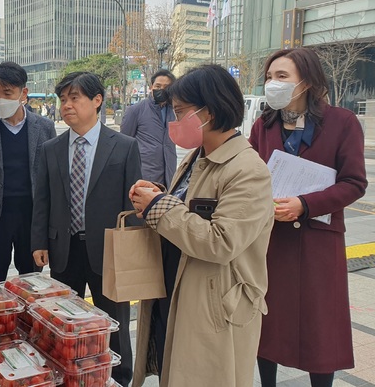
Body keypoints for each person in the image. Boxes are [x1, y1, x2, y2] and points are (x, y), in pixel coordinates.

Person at [130, 64, 274, 387]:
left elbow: (221, 242)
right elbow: (187, 212)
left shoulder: (247, 169)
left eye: (180, 112)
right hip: (179, 289)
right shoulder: (197, 156)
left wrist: (160, 207)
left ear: (208, 112)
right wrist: (159, 198)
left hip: (213, 307)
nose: (174, 121)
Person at [250, 48, 367, 387]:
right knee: (269, 320)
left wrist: (304, 204)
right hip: (273, 240)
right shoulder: (264, 124)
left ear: (307, 81)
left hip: (319, 241)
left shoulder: (342, 122)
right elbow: (251, 175)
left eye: (282, 77)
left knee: (321, 324)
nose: (274, 84)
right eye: (270, 77)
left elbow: (354, 183)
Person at [31, 71, 141, 386]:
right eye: (63, 99)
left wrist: (129, 252)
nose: (66, 105)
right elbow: (44, 198)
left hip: (109, 252)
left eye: (74, 98)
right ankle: (69, 375)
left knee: (114, 325)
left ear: (96, 100)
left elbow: (132, 207)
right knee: (65, 323)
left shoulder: (123, 146)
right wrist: (39, 240)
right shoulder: (51, 148)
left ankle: (119, 378)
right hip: (64, 250)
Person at [0, 62, 56, 282]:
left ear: (23, 93)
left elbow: (52, 173)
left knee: (31, 280)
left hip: (31, 216)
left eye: (7, 92)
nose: (1, 99)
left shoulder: (44, 127)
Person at [120, 69, 178, 189]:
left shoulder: (175, 112)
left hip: (169, 173)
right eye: (158, 86)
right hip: (144, 175)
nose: (162, 89)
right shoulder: (136, 110)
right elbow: (124, 143)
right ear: (151, 87)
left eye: (166, 87)